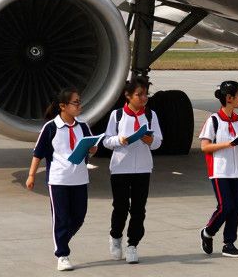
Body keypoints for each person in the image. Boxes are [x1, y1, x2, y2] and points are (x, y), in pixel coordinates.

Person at [27, 87, 97, 272]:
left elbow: (90, 147)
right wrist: (31, 175)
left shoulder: (83, 126)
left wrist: (92, 149)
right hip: (59, 179)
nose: (79, 106)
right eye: (75, 103)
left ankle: (62, 241)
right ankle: (62, 254)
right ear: (63, 106)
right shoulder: (51, 128)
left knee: (79, 217)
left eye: (79, 102)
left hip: (80, 178)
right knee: (61, 218)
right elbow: (38, 153)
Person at [102, 78, 162, 263]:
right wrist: (119, 140)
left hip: (143, 169)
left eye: (146, 94)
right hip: (121, 168)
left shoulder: (151, 116)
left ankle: (132, 245)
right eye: (139, 94)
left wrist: (151, 141)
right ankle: (115, 236)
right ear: (128, 96)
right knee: (120, 207)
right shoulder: (117, 115)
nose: (144, 98)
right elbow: (106, 140)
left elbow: (158, 141)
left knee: (138, 209)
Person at [199, 80, 238, 258]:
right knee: (225, 206)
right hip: (219, 170)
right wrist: (228, 144)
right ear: (230, 98)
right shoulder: (213, 120)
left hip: (236, 170)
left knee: (235, 208)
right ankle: (208, 231)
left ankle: (229, 243)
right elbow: (205, 147)